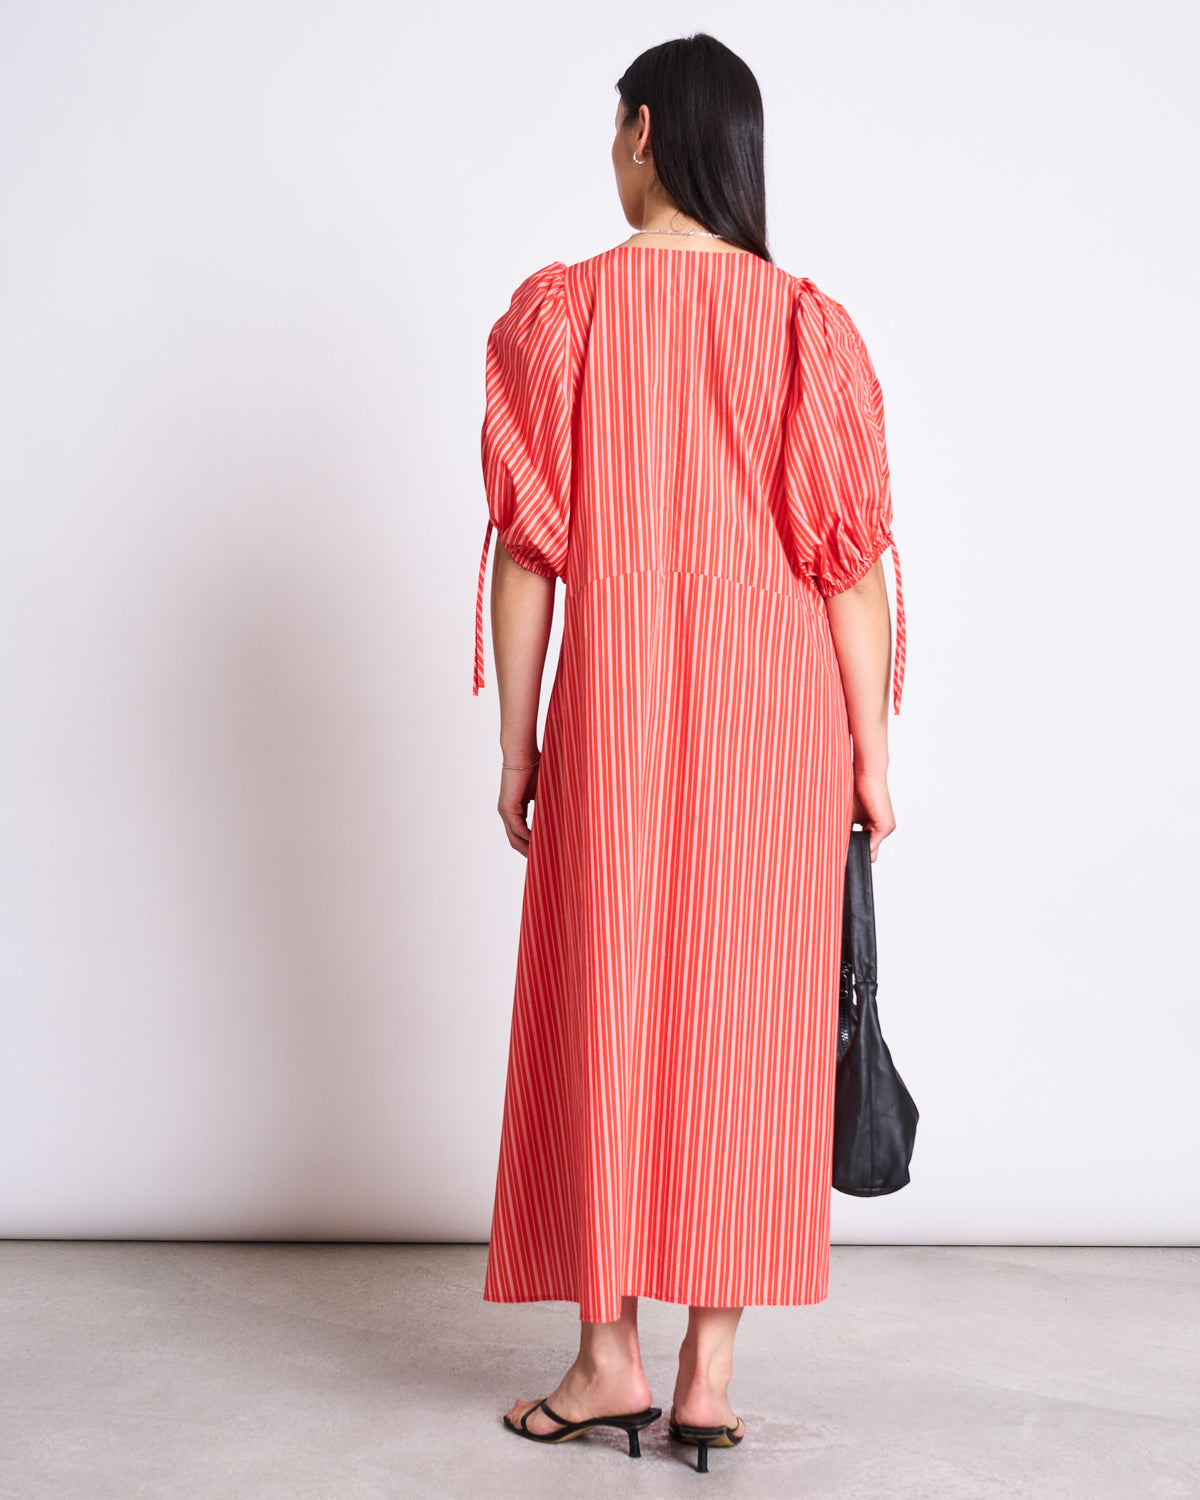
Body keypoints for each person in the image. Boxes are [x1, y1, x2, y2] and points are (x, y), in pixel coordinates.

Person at [471, 33, 906, 1471]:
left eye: (616, 132)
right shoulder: (805, 327)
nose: (613, 154)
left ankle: (608, 1360)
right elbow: (851, 568)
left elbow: (532, 555)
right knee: (743, 1030)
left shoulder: (565, 315)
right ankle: (708, 1379)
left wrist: (518, 743)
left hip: (618, 711)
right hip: (775, 727)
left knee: (603, 1005)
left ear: (645, 132)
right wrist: (871, 754)